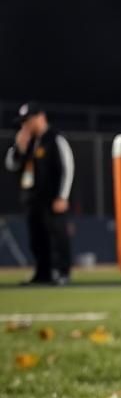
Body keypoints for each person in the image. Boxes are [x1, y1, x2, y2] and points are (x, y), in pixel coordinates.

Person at [4, 102, 74, 285]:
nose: (24, 125)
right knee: (37, 239)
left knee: (57, 237)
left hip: (52, 199)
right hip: (32, 199)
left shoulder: (54, 138)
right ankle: (42, 273)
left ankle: (61, 273)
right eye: (23, 122)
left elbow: (67, 168)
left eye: (28, 120)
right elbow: (11, 165)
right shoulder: (26, 142)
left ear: (40, 117)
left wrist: (62, 196)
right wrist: (18, 147)